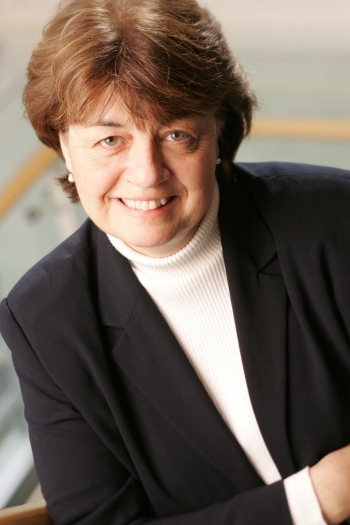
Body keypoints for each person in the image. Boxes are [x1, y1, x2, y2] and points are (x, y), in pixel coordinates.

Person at [0, 0, 350, 523]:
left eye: (175, 133)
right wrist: (316, 499)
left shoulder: (332, 219)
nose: (146, 173)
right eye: (110, 139)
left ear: (216, 136)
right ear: (64, 148)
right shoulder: (45, 318)